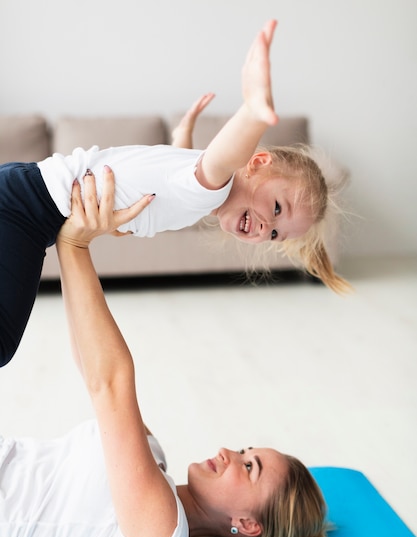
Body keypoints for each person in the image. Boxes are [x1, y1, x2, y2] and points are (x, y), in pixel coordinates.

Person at [0, 169, 331, 537]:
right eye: (247, 451)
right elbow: (92, 367)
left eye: (249, 468)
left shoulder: (161, 534)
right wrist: (72, 239)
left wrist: (73, 242)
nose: (230, 453)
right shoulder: (152, 458)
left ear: (247, 524)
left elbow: (111, 384)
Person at [0, 19, 350, 368]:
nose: (265, 228)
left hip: (21, 191)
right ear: (256, 162)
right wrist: (254, 111)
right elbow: (217, 164)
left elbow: (170, 179)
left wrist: (182, 136)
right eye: (276, 207)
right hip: (28, 210)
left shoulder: (197, 193)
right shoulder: (213, 188)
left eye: (276, 233)